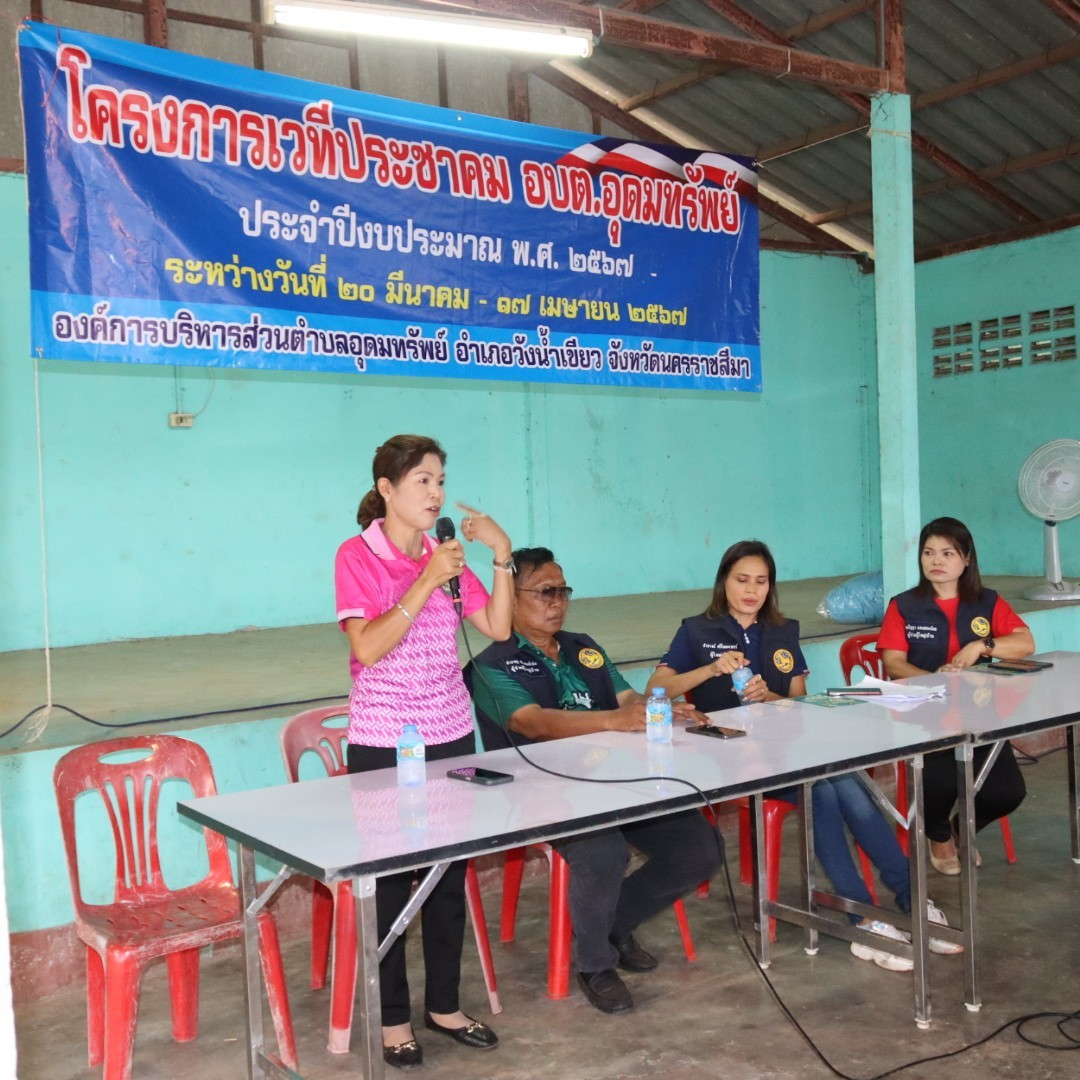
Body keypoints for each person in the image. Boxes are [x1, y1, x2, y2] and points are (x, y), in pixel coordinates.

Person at [647, 539, 962, 972]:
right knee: (824, 794)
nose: (751, 590)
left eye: (761, 581)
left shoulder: (782, 631)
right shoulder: (697, 630)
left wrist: (766, 695)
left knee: (848, 782)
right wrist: (709, 670)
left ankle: (912, 899)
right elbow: (655, 691)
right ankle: (865, 919)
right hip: (726, 755)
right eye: (742, 580)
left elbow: (797, 701)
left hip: (784, 747)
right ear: (724, 582)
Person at [468, 547, 722, 1014]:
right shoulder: (490, 665)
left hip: (616, 781)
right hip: (543, 791)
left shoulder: (582, 645)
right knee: (604, 850)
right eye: (545, 591)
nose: (557, 601)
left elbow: (627, 696)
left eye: (563, 590)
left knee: (699, 848)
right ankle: (594, 963)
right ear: (511, 596)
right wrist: (615, 720)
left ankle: (611, 923)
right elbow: (533, 722)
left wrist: (662, 711)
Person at [334, 434, 514, 1071]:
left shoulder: (450, 554)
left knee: (447, 874)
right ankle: (391, 1018)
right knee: (389, 884)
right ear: (387, 490)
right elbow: (367, 648)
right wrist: (425, 581)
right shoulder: (357, 556)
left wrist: (499, 554)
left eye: (440, 481)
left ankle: (444, 1004)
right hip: (387, 741)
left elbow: (495, 629)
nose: (436, 494)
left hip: (451, 733)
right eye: (422, 482)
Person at [879, 516, 1034, 876]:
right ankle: (937, 833)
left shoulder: (987, 601)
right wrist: (935, 683)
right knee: (942, 780)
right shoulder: (904, 606)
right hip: (924, 716)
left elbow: (1025, 643)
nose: (936, 560)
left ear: (966, 559)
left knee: (1008, 791)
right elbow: (894, 663)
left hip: (980, 714)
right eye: (928, 552)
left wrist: (982, 645)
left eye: (947, 553)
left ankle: (959, 829)